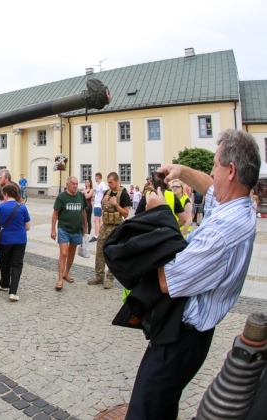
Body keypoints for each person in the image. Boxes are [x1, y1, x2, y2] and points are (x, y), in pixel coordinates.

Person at [125, 129, 260, 420]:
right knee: (162, 407)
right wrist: (182, 171)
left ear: (232, 170)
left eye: (215, 164)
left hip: (181, 339)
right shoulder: (240, 204)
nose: (211, 171)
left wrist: (161, 216)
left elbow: (166, 280)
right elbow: (213, 187)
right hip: (189, 334)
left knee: (144, 411)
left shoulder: (222, 231)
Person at [88, 172, 130, 289]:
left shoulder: (124, 194)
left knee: (113, 252)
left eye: (111, 182)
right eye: (108, 182)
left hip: (117, 226)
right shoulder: (107, 192)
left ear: (117, 181)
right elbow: (104, 208)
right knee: (100, 249)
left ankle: (110, 278)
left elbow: (126, 214)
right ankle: (99, 276)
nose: (109, 185)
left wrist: (116, 204)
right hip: (106, 225)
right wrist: (103, 202)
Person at [51, 176, 87, 290]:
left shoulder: (81, 196)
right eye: (73, 184)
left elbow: (84, 211)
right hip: (63, 229)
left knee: (71, 253)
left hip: (76, 229)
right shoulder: (62, 197)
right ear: (67, 185)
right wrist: (53, 230)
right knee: (64, 253)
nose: (76, 186)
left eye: (76, 184)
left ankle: (67, 273)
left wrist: (85, 226)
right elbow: (55, 214)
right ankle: (60, 279)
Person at [90, 172, 108, 242]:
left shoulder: (102, 185)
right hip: (97, 205)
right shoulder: (100, 185)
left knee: (96, 220)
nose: (95, 179)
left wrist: (103, 203)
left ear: (98, 177)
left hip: (98, 205)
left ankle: (96, 235)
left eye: (95, 177)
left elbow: (105, 194)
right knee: (99, 220)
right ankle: (100, 233)